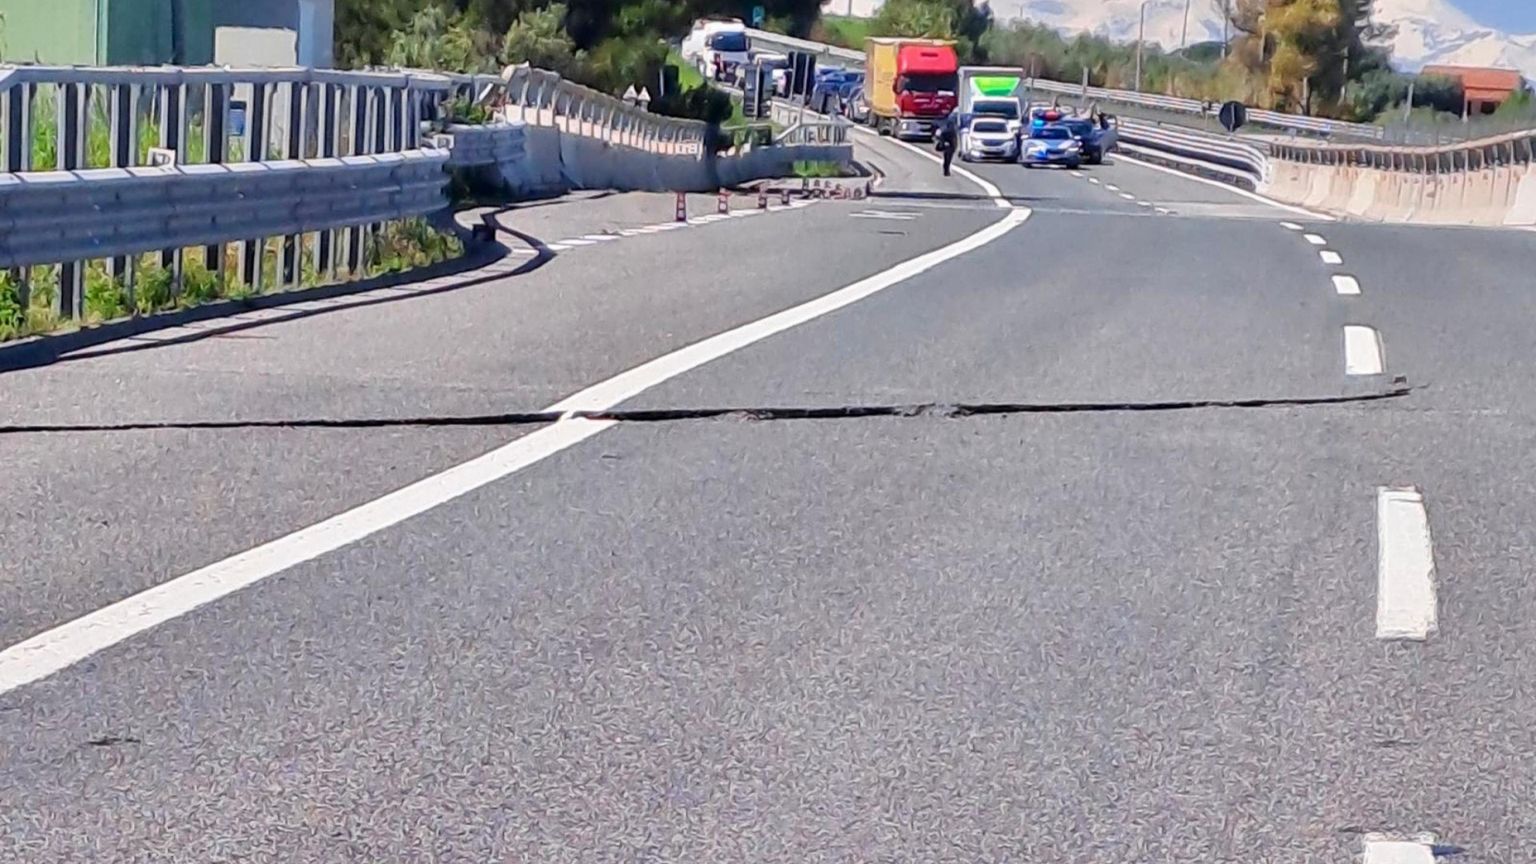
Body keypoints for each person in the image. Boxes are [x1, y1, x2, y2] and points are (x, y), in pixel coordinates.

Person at [936, 111, 958, 177]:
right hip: (949, 141)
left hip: (950, 141)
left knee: (947, 157)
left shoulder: (947, 125)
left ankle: (946, 170)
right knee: (947, 157)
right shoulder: (945, 125)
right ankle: (946, 170)